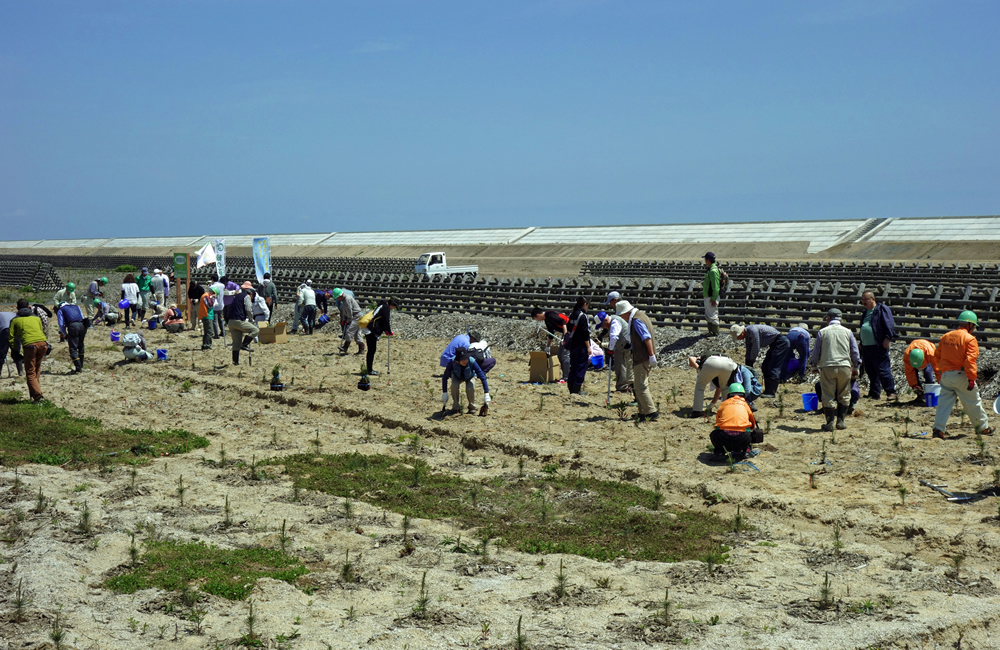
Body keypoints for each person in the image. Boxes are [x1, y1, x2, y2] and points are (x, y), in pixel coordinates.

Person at [933, 311, 994, 439]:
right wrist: (971, 379)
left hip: (946, 375)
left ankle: (938, 429)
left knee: (943, 404)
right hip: (962, 375)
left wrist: (940, 375)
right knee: (973, 402)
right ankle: (983, 428)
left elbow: (937, 356)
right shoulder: (969, 339)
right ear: (970, 325)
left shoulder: (945, 337)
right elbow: (970, 360)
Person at [807, 308, 862, 432]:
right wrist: (856, 366)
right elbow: (854, 350)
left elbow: (816, 351)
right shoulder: (848, 332)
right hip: (844, 366)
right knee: (844, 393)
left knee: (828, 394)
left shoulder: (823, 332)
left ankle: (830, 423)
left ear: (828, 318)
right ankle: (841, 421)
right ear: (841, 319)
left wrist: (814, 365)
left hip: (828, 366)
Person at [617, 300, 658, 422]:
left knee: (640, 385)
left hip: (642, 357)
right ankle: (643, 412)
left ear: (625, 313)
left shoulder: (636, 320)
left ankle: (651, 411)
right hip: (642, 355)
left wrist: (651, 355)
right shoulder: (640, 315)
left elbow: (646, 337)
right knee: (639, 385)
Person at [730, 324, 790, 398]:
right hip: (775, 344)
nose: (738, 339)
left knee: (772, 367)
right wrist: (748, 362)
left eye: (738, 337)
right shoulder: (748, 336)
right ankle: (767, 391)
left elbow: (755, 347)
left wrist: (751, 361)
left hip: (781, 342)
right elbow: (749, 348)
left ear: (741, 333)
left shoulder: (752, 331)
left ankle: (771, 392)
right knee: (765, 366)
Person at [859, 291, 898, 400]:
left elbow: (889, 324)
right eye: (862, 299)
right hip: (866, 346)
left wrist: (887, 338)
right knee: (871, 370)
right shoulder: (865, 312)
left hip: (878, 345)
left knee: (882, 370)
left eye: (866, 299)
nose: (863, 302)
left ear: (872, 299)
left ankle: (891, 392)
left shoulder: (881, 309)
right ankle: (874, 393)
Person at [709, 383, 761, 460]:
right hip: (743, 438)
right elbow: (752, 422)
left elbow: (718, 422)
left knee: (714, 434)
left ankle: (720, 452)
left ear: (728, 394)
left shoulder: (724, 404)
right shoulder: (745, 404)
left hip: (723, 438)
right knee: (750, 434)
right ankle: (747, 450)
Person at [9, 298, 48, 401]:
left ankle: (38, 396)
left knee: (30, 372)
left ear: (17, 308)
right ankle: (35, 392)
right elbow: (41, 330)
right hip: (43, 344)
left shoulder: (15, 320)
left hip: (30, 346)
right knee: (37, 368)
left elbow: (11, 337)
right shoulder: (36, 318)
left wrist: (15, 350)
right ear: (28, 307)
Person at [441, 347, 491, 415]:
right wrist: (445, 393)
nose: (465, 361)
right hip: (457, 376)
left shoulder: (472, 361)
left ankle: (472, 408)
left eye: (466, 358)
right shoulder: (452, 363)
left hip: (470, 376)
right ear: (458, 360)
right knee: (454, 385)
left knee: (470, 387)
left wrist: (486, 393)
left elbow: (482, 376)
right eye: (462, 359)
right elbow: (445, 377)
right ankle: (456, 407)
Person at [594, 310, 633, 393]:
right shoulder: (612, 322)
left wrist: (610, 350)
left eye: (602, 325)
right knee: (619, 366)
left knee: (623, 367)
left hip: (626, 347)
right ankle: (622, 386)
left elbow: (614, 337)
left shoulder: (615, 322)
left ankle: (624, 387)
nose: (602, 327)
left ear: (606, 320)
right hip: (621, 346)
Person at [530, 307, 570, 383]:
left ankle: (567, 377)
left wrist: (565, 336)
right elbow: (551, 333)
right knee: (559, 354)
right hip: (567, 333)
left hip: (571, 332)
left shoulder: (550, 315)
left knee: (565, 355)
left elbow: (563, 321)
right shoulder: (547, 320)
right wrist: (548, 346)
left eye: (535, 318)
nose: (537, 320)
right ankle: (566, 375)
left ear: (538, 315)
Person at [364, 297, 398, 376]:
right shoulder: (386, 308)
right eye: (394, 306)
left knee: (371, 350)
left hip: (369, 329)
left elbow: (382, 320)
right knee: (371, 350)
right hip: (371, 330)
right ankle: (370, 370)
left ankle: (369, 369)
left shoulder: (382, 306)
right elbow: (386, 320)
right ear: (392, 304)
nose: (394, 308)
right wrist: (389, 331)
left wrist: (386, 330)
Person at [229, 282, 260, 365]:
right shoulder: (246, 297)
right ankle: (245, 344)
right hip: (239, 321)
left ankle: (235, 362)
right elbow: (249, 309)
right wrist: (251, 319)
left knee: (236, 343)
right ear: (251, 294)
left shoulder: (236, 296)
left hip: (231, 322)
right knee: (255, 330)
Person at [566, 297, 591, 394]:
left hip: (573, 344)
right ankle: (577, 388)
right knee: (581, 366)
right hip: (581, 345)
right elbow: (585, 333)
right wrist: (588, 346)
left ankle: (571, 387)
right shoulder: (583, 316)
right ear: (585, 304)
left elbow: (568, 328)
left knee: (573, 366)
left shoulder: (573, 314)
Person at [56, 301, 87, 373]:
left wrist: (65, 334)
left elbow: (61, 324)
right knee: (81, 345)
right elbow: (82, 317)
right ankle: (81, 365)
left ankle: (78, 368)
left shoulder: (61, 309)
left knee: (73, 348)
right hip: (83, 325)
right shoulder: (76, 306)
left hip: (73, 326)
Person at [335, 288, 365, 355]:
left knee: (349, 331)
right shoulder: (344, 300)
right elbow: (345, 311)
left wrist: (348, 320)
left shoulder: (347, 299)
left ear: (340, 295)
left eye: (337, 297)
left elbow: (349, 311)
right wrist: (344, 319)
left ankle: (345, 347)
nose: (337, 299)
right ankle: (361, 349)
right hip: (354, 316)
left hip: (356, 317)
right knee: (357, 333)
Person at [702, 252, 722, 337]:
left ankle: (715, 333)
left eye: (705, 259)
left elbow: (715, 286)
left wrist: (714, 298)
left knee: (713, 316)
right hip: (708, 295)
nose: (704, 261)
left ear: (708, 260)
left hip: (711, 296)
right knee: (709, 315)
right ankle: (711, 332)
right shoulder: (710, 269)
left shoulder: (713, 271)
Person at [0, 311, 22, 376]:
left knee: (1, 353)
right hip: (16, 331)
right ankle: (20, 371)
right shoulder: (13, 314)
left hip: (5, 330)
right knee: (16, 352)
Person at [209, 274, 226, 338]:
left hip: (214, 305)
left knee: (214, 321)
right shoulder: (222, 285)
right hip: (221, 304)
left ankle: (216, 334)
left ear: (212, 279)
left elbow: (210, 296)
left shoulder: (211, 287)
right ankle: (223, 332)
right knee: (221, 319)